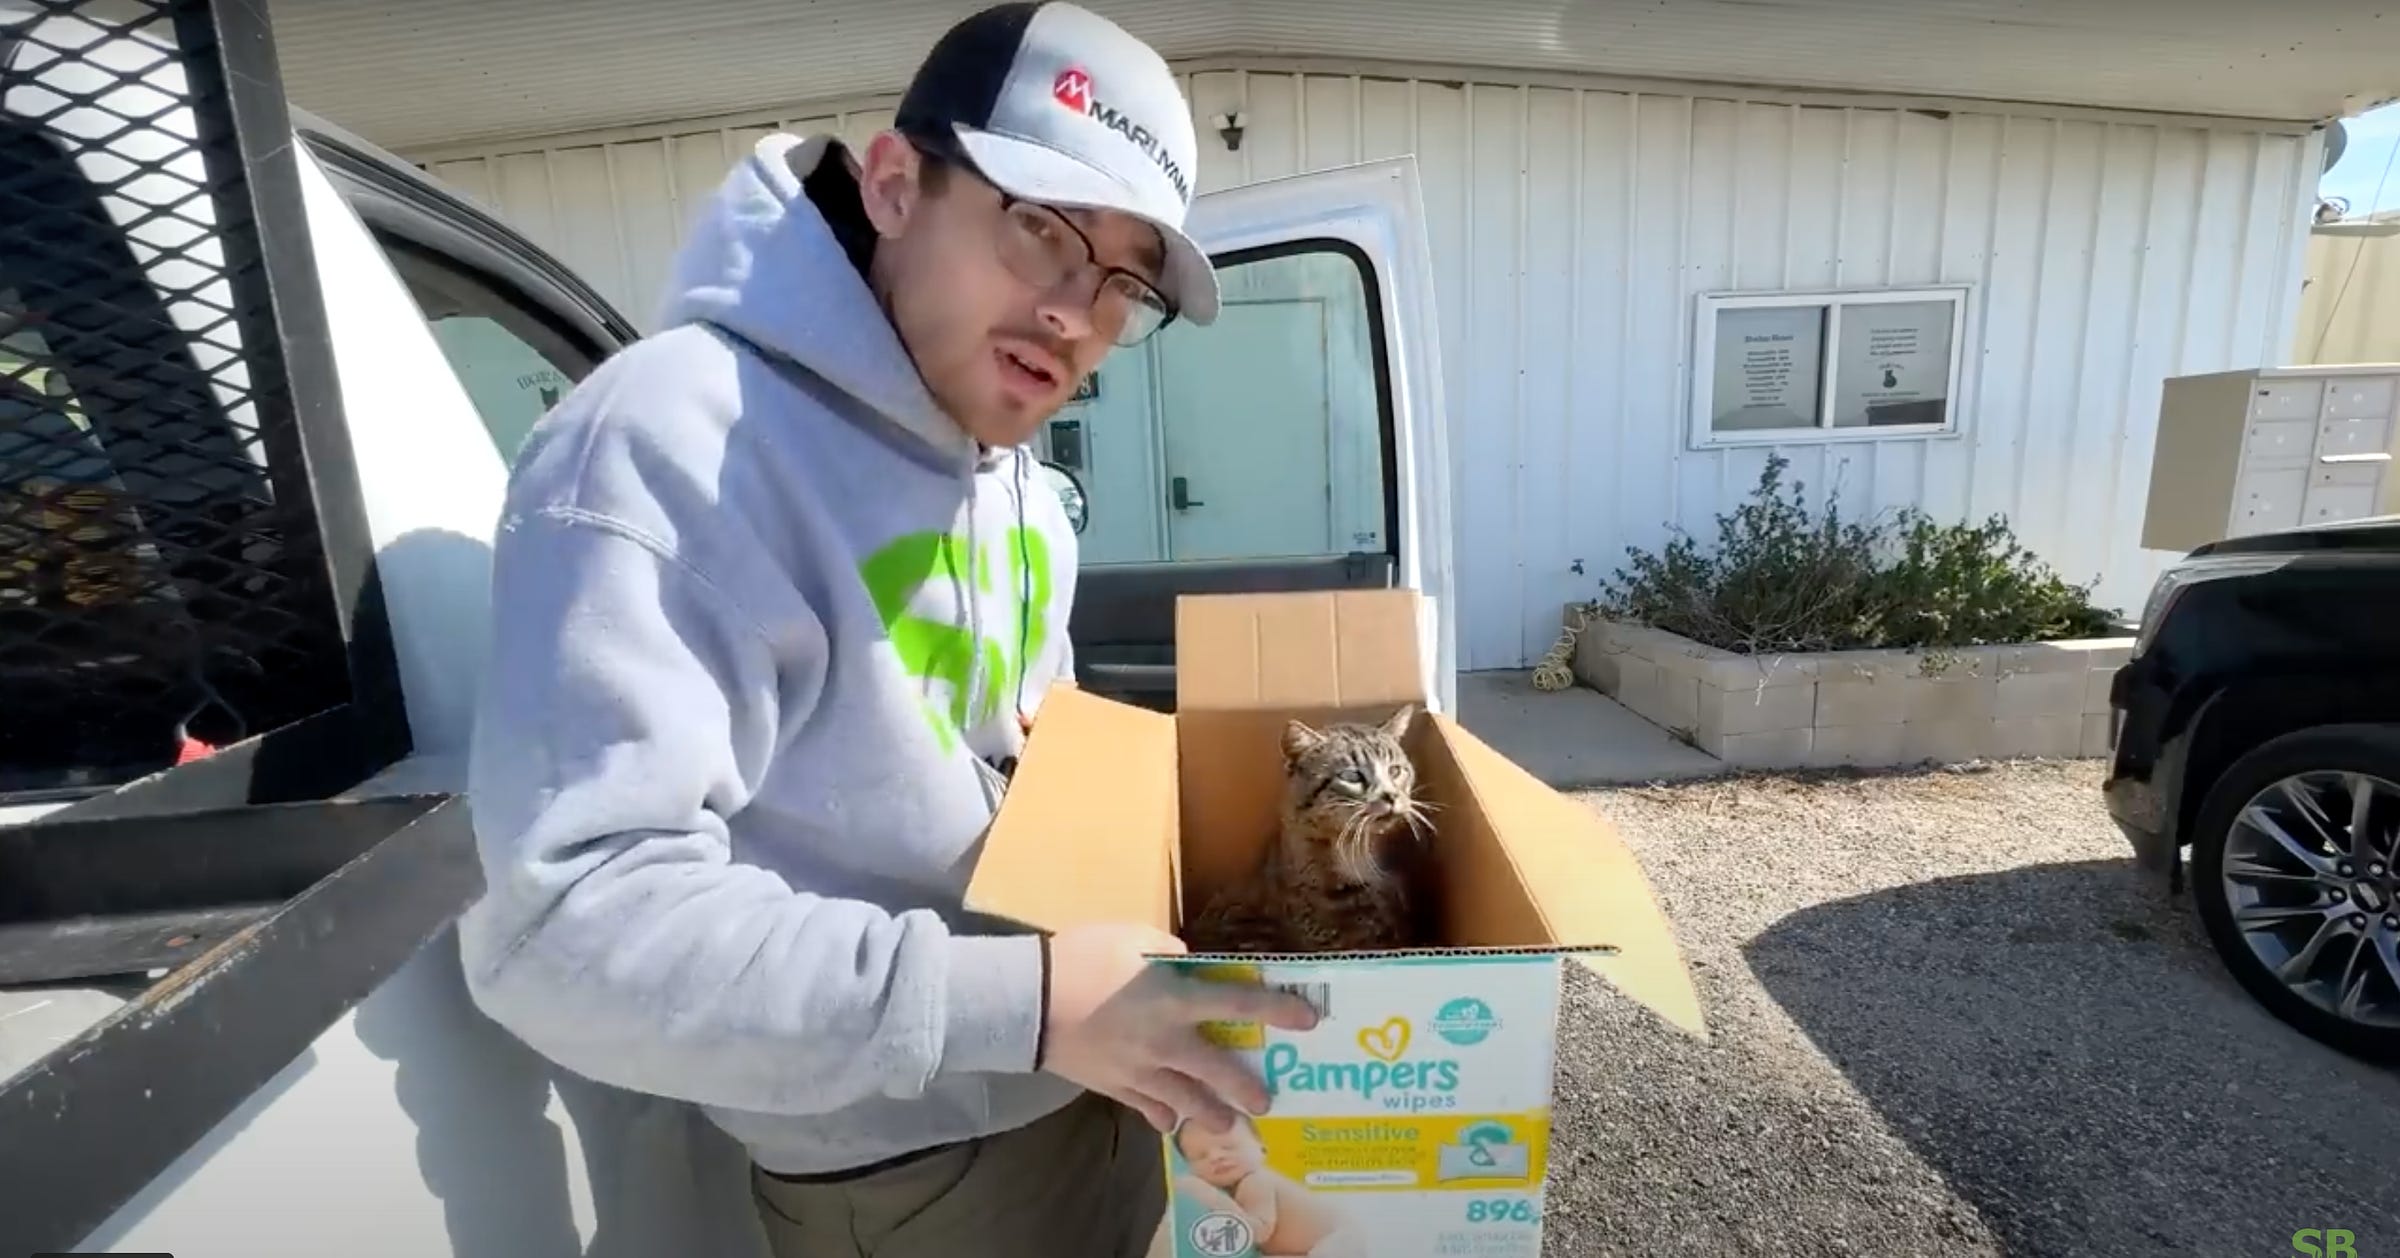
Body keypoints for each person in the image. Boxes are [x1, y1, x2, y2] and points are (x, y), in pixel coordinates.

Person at [452, 3, 1320, 1255]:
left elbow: (1000, 756)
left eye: (1124, 280)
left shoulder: (1010, 468)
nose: (1079, 316)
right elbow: (568, 929)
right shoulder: (671, 448)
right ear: (898, 181)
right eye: (1043, 231)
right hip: (910, 1169)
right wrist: (1023, 1004)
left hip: (1092, 1083)